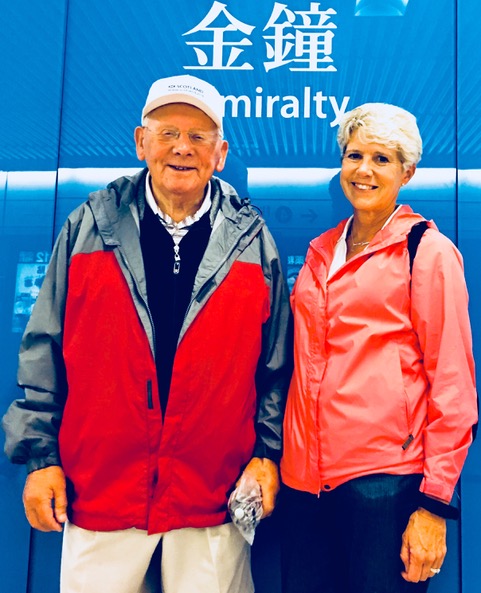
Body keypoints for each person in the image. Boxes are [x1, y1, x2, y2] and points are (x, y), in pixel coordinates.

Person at [2, 74, 292, 593]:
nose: (182, 147)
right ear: (141, 142)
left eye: (199, 136)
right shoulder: (87, 228)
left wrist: (267, 455)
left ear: (220, 153)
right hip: (102, 491)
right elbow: (44, 347)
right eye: (168, 133)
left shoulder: (253, 241)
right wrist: (41, 459)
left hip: (212, 495)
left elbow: (276, 367)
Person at [280, 102, 478, 593]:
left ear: (406, 173)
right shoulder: (320, 251)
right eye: (354, 155)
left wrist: (433, 504)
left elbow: (453, 386)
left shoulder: (426, 251)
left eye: (382, 159)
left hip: (385, 484)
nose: (363, 170)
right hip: (304, 484)